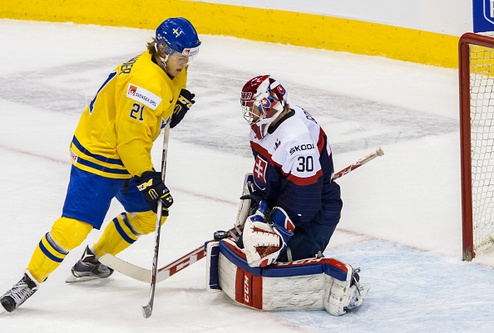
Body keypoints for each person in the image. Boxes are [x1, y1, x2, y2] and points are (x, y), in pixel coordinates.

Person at [0, 17, 201, 313]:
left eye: (190, 55)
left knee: (150, 215)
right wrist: (147, 178)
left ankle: (93, 260)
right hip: (99, 156)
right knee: (73, 229)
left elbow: (148, 120)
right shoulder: (145, 83)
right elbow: (130, 142)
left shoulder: (167, 67)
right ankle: (28, 281)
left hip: (126, 156)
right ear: (161, 50)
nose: (186, 61)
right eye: (181, 55)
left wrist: (171, 110)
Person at [236, 74, 343, 267]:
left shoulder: (296, 140)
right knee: (250, 250)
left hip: (313, 214)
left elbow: (305, 200)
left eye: (252, 106)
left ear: (268, 104)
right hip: (284, 201)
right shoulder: (264, 125)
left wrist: (277, 229)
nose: (249, 112)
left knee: (281, 259)